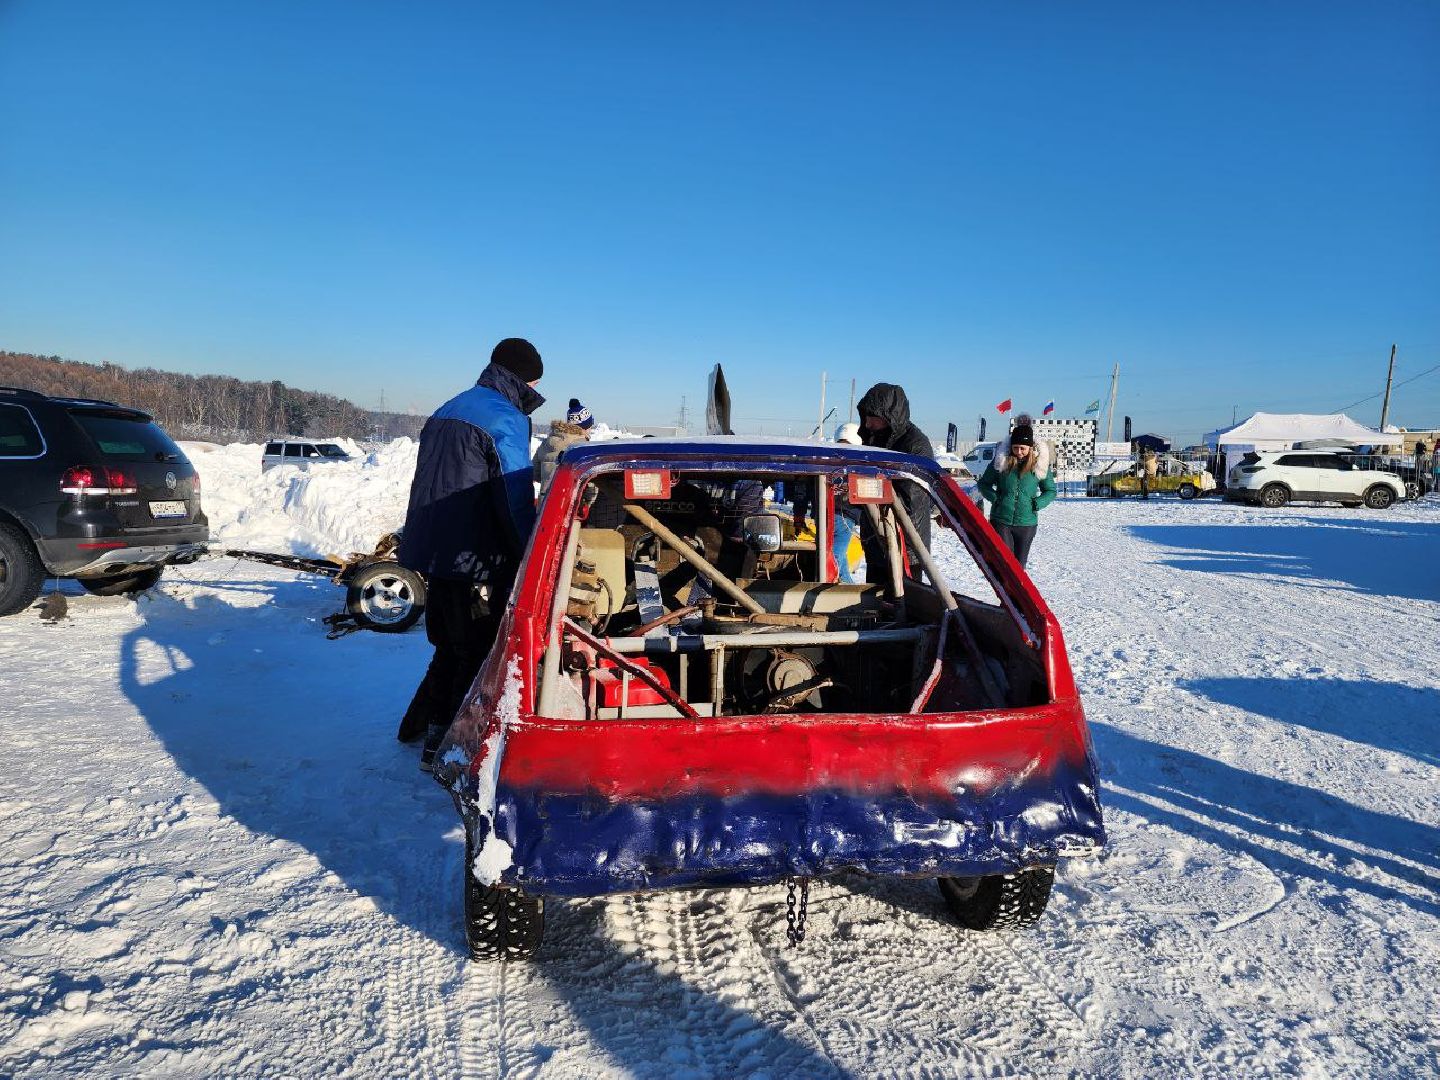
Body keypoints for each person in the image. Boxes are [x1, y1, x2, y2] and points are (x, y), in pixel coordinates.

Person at [396, 337, 545, 769]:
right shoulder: (504, 419)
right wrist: (528, 553)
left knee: (449, 644)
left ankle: (415, 726)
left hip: (436, 549)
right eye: (536, 379)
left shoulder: (449, 408)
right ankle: (444, 749)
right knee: (475, 650)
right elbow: (514, 494)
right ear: (524, 378)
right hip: (475, 556)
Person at [855, 383, 936, 581]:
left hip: (906, 543)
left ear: (888, 415)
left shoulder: (915, 445)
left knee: (905, 604)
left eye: (871, 417)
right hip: (876, 539)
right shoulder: (873, 439)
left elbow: (911, 500)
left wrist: (864, 491)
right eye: (865, 416)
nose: (867, 423)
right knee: (875, 601)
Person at [791, 422, 864, 583]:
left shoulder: (823, 461)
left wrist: (798, 516)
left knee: (832, 555)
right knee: (833, 554)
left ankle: (841, 585)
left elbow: (802, 490)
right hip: (840, 516)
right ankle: (846, 587)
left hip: (835, 516)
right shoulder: (859, 464)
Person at [977, 423, 1056, 569]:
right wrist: (996, 499)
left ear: (1030, 448)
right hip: (1001, 520)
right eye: (1015, 447)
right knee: (1005, 562)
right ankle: (1003, 590)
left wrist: (1037, 503)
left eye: (1023, 448)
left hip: (1026, 523)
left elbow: (1050, 490)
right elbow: (983, 484)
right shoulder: (1001, 462)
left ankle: (1014, 592)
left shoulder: (1039, 465)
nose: (1019, 451)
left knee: (1019, 566)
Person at [533, 397, 594, 492]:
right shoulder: (582, 447)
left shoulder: (546, 442)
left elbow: (535, 474)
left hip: (545, 503)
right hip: (569, 504)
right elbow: (591, 486)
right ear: (586, 427)